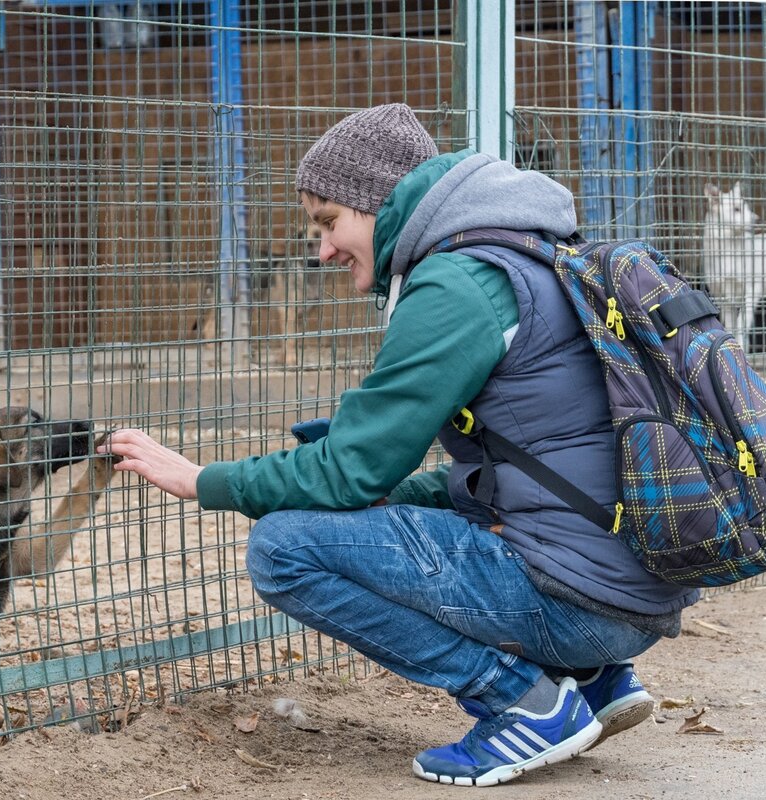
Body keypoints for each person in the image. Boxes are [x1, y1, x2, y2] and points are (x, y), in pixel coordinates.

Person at [100, 103, 699, 787]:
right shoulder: (530, 253)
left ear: (381, 204)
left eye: (329, 221)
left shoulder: (459, 284)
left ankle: (524, 701)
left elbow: (350, 469)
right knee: (394, 510)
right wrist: (394, 491)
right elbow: (507, 471)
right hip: (629, 591)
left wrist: (203, 479)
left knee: (283, 549)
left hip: (582, 600)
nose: (320, 248)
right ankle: (591, 681)